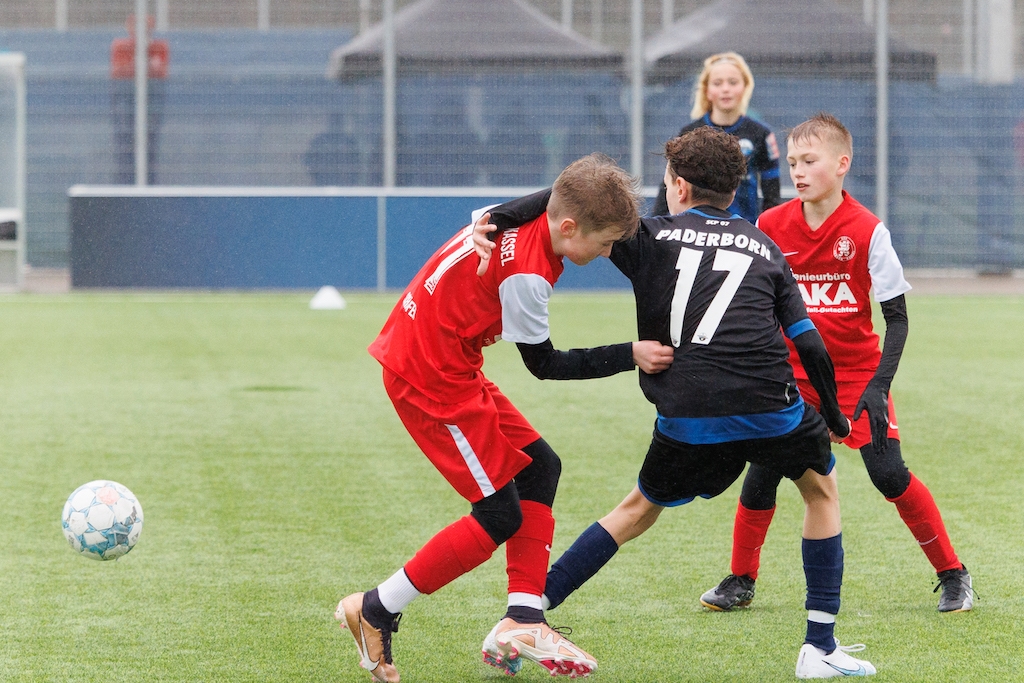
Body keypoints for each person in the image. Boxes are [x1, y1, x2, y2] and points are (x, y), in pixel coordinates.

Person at [476, 127, 876, 678]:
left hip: (687, 414)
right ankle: (819, 648)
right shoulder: (765, 245)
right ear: (733, 190)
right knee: (821, 491)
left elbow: (575, 199)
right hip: (770, 405)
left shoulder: (649, 237)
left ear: (679, 187)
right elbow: (808, 343)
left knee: (635, 512)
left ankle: (526, 614)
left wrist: (499, 215)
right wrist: (834, 417)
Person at [336, 153, 675, 682]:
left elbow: (548, 194)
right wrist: (628, 353)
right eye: (606, 242)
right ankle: (376, 608)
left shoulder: (516, 215)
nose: (610, 253)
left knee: (541, 466)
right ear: (569, 227)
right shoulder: (527, 275)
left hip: (445, 361)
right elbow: (544, 365)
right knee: (498, 514)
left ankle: (524, 618)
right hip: (429, 376)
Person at [699, 113, 973, 615]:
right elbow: (750, 307)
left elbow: (897, 321)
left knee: (889, 475)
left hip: (857, 377)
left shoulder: (868, 231)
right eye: (794, 162)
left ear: (842, 164)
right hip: (792, 380)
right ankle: (741, 579)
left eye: (810, 161)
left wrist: (879, 386)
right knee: (762, 475)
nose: (798, 172)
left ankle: (953, 573)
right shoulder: (770, 226)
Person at [651, 51, 781, 223]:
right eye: (717, 83)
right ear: (707, 90)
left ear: (745, 87)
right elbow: (670, 183)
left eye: (733, 82)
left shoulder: (761, 133)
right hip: (697, 228)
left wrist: (767, 229)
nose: (725, 89)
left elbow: (772, 193)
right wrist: (657, 224)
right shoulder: (689, 132)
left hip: (742, 227)